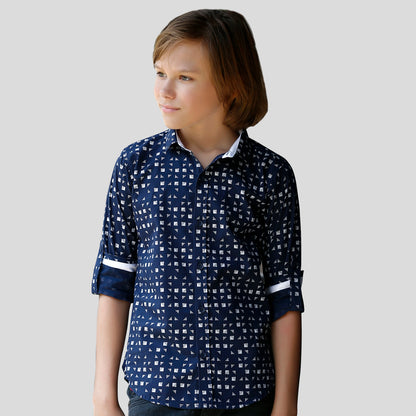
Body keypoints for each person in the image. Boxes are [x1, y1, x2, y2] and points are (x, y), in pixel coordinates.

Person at [92, 9, 304, 416]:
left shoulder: (270, 174)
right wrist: (103, 397)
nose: (164, 90)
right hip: (157, 389)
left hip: (245, 392)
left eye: (184, 78)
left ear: (231, 84)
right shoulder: (136, 166)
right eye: (160, 73)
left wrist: (286, 405)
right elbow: (116, 277)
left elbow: (284, 293)